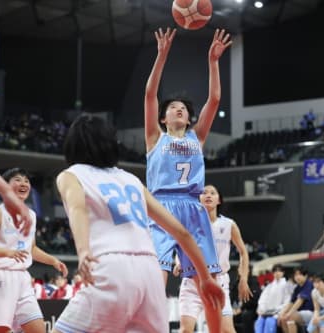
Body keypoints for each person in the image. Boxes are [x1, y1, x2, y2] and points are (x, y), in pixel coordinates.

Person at [52, 114, 224, 333]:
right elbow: (182, 232)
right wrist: (206, 277)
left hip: (111, 265)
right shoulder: (131, 179)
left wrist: (84, 250)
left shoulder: (71, 175)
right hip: (150, 272)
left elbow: (78, 209)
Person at [144, 27, 232, 331]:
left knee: (206, 284)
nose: (178, 109)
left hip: (193, 209)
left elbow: (216, 98)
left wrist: (213, 61)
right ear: (163, 118)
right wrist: (162, 55)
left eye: (183, 108)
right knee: (157, 281)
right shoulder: (154, 138)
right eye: (172, 108)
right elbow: (150, 94)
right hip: (161, 207)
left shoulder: (197, 137)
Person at [0, 167, 68, 333]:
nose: (24, 183)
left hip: (23, 279)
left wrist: (53, 260)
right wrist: (7, 252)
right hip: (0, 277)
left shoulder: (31, 216)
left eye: (26, 181)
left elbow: (31, 249)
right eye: (18, 180)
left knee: (39, 330)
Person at [175, 184, 252, 333]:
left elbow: (243, 252)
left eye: (212, 193)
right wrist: (179, 262)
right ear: (199, 199)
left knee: (227, 331)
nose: (208, 195)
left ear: (219, 200)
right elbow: (181, 247)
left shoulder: (229, 225)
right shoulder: (189, 223)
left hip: (219, 281)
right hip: (192, 281)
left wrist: (243, 279)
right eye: (204, 193)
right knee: (185, 330)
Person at [255, 264, 291, 333]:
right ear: (273, 273)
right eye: (275, 271)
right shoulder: (269, 286)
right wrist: (261, 309)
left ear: (283, 273)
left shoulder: (286, 285)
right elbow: (262, 299)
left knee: (269, 321)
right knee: (259, 322)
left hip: (277, 313)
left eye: (279, 271)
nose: (277, 273)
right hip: (266, 312)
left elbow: (287, 302)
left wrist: (277, 311)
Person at [277, 267, 314, 333]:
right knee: (283, 318)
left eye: (300, 274)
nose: (297, 277)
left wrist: (288, 314)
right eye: (296, 275)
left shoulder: (308, 284)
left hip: (312, 313)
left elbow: (300, 301)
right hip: (300, 313)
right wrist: (281, 314)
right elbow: (291, 303)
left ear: (305, 275)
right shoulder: (297, 288)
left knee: (290, 317)